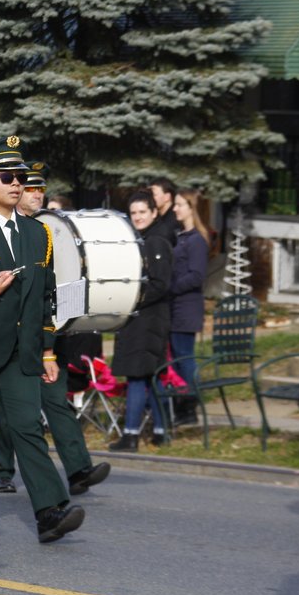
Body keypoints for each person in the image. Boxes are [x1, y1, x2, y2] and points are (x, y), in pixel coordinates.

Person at [0, 136, 86, 543]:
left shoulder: (37, 233)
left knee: (27, 428)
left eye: (21, 178)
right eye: (7, 177)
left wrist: (46, 350)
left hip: (21, 352)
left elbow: (43, 296)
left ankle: (49, 512)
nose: (17, 184)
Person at [0, 162, 110, 495]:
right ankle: (1, 467)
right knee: (7, 406)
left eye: (40, 189)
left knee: (56, 398)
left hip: (45, 331)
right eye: (31, 188)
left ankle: (78, 469)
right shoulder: (3, 228)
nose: (36, 194)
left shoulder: (45, 230)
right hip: (8, 334)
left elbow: (52, 282)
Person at [109, 191, 174, 450]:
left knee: (137, 375)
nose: (137, 217)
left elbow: (160, 284)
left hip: (148, 319)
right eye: (133, 213)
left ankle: (131, 435)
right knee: (152, 376)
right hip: (147, 317)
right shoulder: (144, 239)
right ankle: (160, 431)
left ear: (154, 213)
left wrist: (130, 300)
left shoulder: (156, 242)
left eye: (142, 212)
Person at [168, 189, 210, 425]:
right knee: (177, 356)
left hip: (186, 307)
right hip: (176, 307)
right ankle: (181, 403)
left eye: (180, 204)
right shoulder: (182, 236)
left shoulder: (196, 240)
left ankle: (190, 406)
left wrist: (170, 288)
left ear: (191, 208)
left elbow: (196, 275)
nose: (175, 209)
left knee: (184, 357)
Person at [148, 176, 180, 247]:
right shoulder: (158, 218)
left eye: (153, 194)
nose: (149, 198)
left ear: (167, 197)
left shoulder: (174, 221)